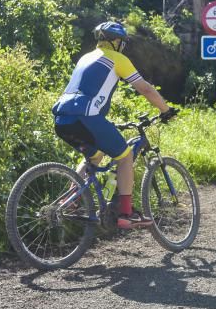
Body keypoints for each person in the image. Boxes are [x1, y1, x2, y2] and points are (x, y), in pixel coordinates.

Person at [52, 21, 176, 229]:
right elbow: (145, 89)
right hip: (87, 117)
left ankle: (72, 199)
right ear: (116, 41)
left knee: (96, 156)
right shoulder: (118, 59)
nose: (123, 45)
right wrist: (166, 110)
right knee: (125, 156)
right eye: (122, 42)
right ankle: (126, 214)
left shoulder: (86, 58)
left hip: (63, 119)